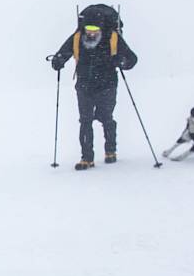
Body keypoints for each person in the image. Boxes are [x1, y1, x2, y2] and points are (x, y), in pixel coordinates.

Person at [50, 11, 138, 170]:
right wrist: (58, 60)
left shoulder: (112, 37)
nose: (91, 32)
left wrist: (121, 61)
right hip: (84, 86)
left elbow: (132, 59)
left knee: (106, 117)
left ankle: (110, 150)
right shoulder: (77, 37)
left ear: (101, 28)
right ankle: (87, 157)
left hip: (107, 85)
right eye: (88, 28)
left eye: (94, 28)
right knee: (85, 120)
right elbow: (63, 53)